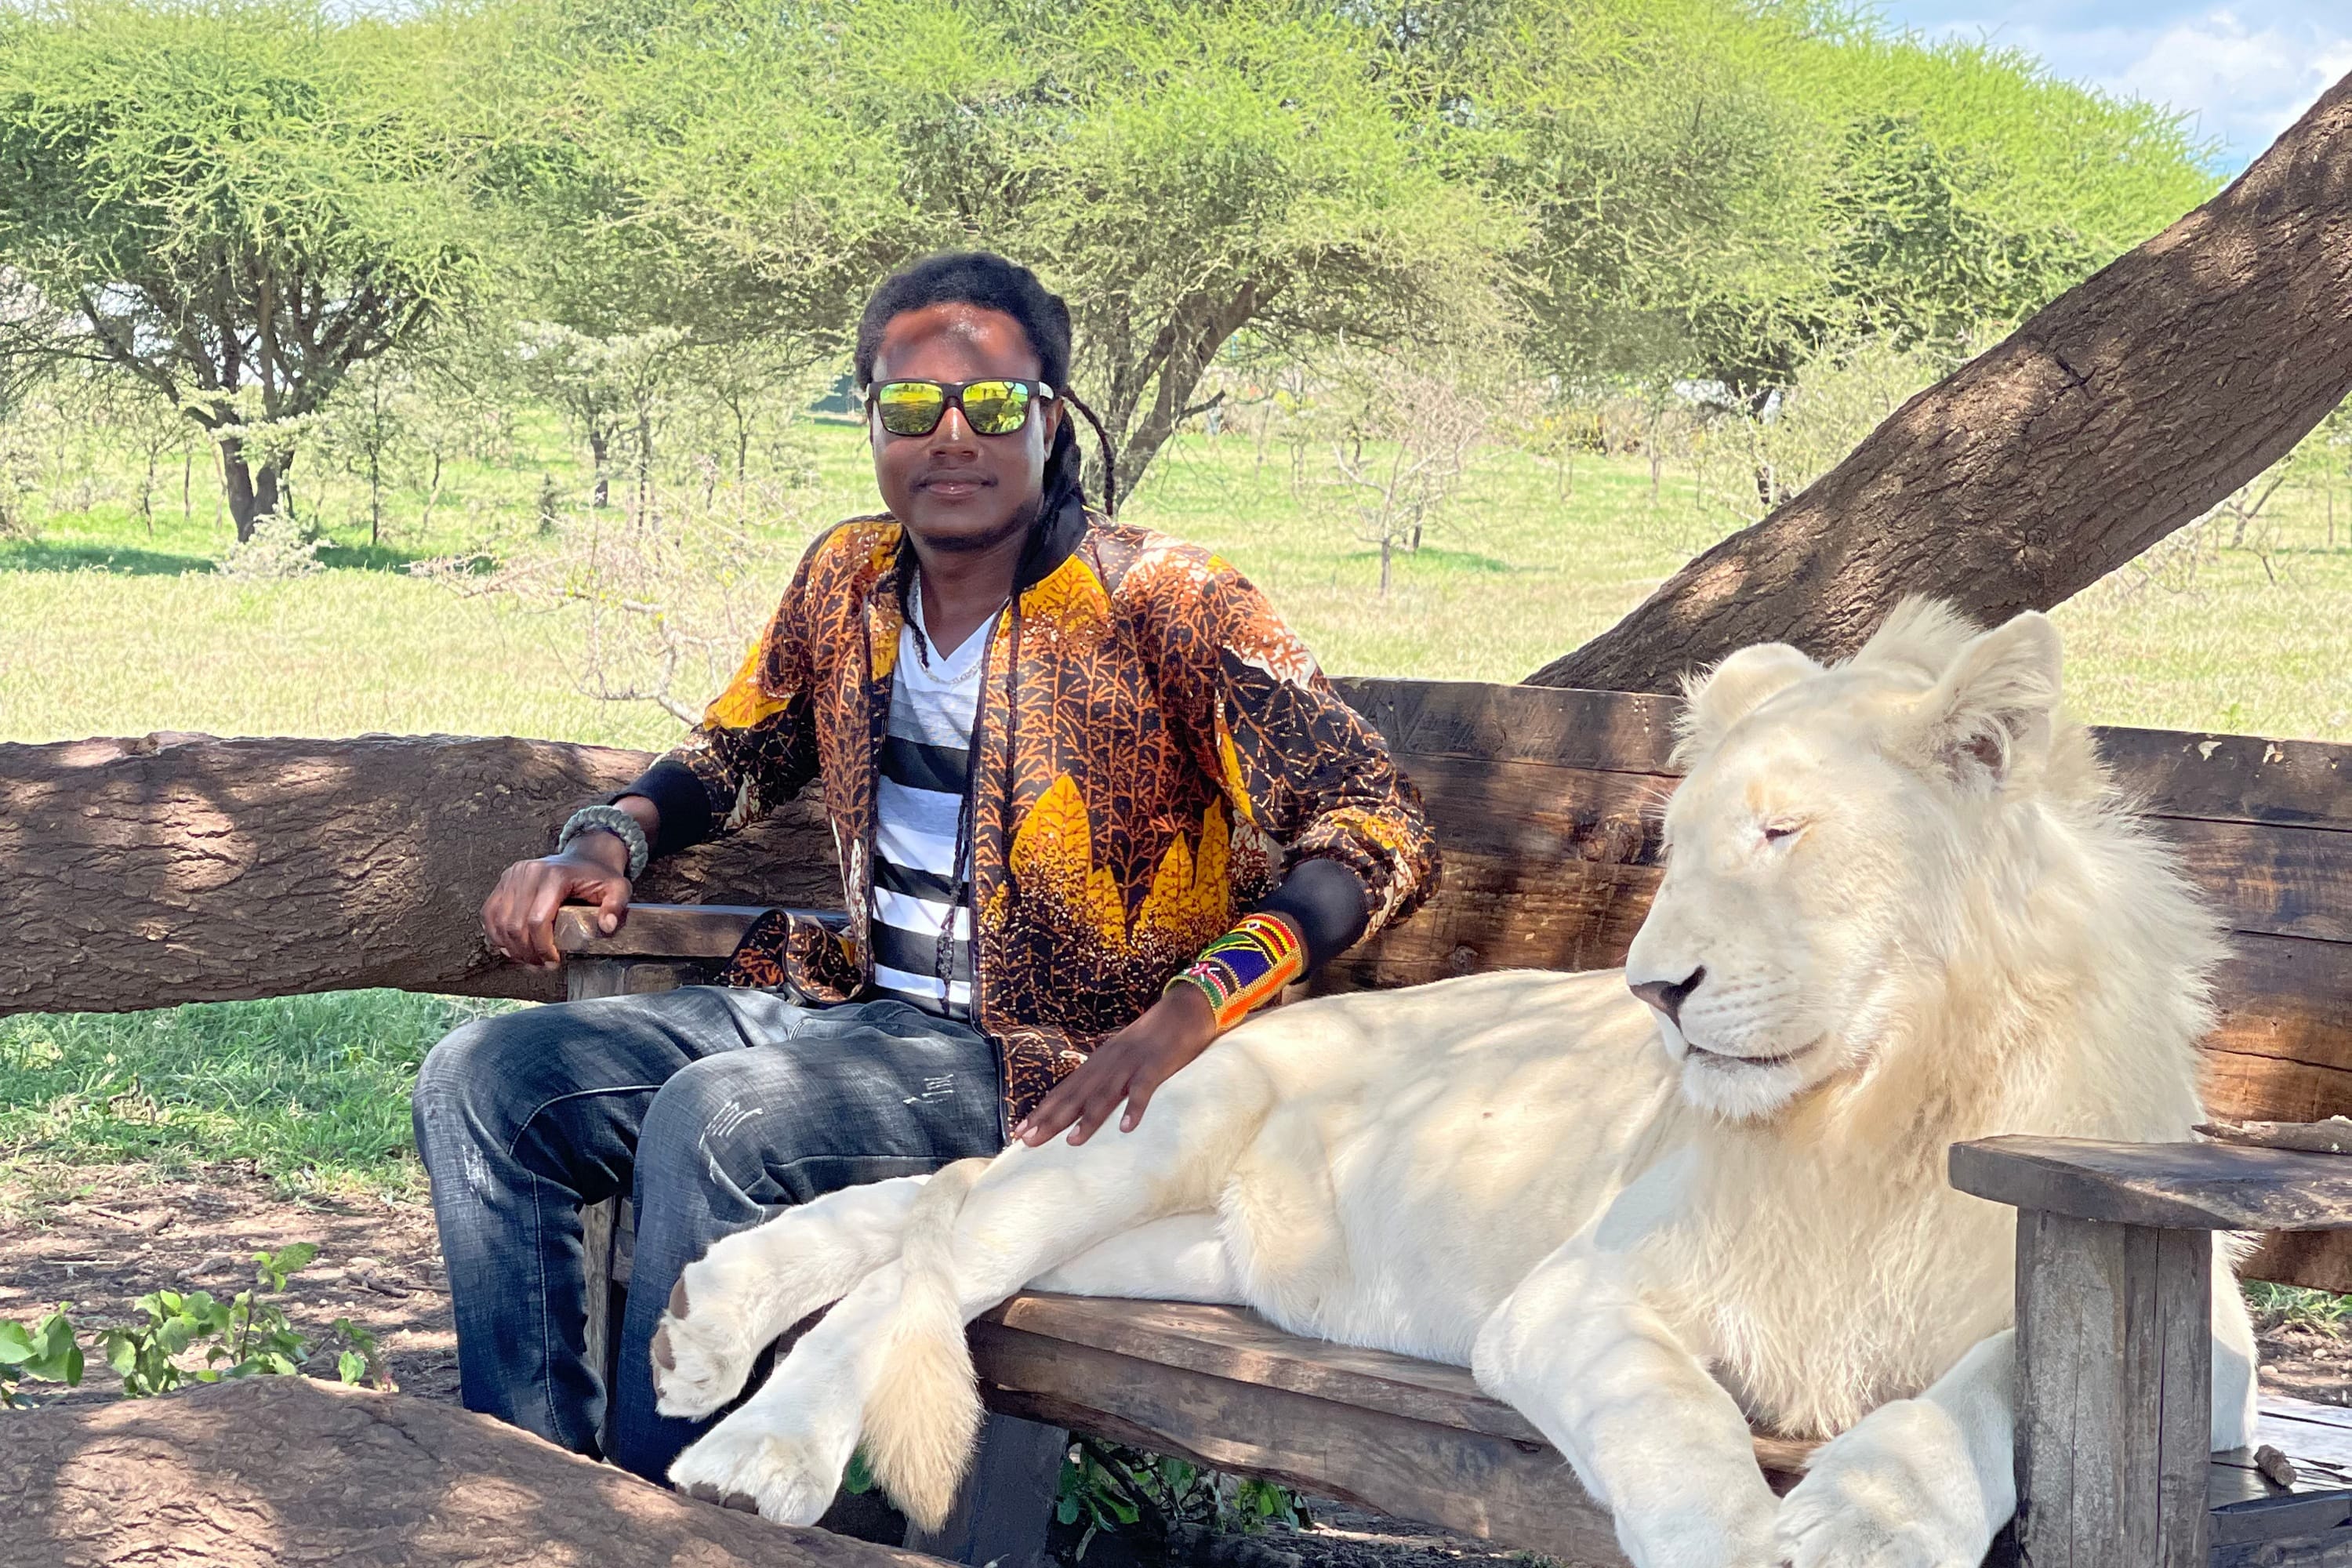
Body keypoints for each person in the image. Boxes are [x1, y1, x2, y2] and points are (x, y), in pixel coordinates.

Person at [411, 250, 1437, 1484]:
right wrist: (606, 838)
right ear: (872, 421)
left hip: (1051, 1066)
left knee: (720, 1117)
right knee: (485, 1079)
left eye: (994, 403)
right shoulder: (850, 580)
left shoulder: (1170, 604)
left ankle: (667, 1527)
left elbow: (1376, 824)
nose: (953, 435)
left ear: (1054, 420)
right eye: (911, 406)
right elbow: (744, 747)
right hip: (852, 1015)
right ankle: (534, 1496)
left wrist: (1186, 1015)